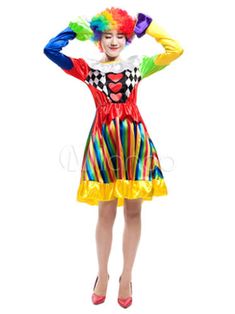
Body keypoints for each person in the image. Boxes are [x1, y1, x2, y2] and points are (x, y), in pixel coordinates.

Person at [43, 6, 184, 308]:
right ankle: (102, 275)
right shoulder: (88, 69)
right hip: (104, 145)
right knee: (105, 213)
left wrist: (151, 27)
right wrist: (73, 29)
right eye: (108, 35)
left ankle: (127, 276)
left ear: (128, 38)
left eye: (121, 35)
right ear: (99, 39)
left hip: (135, 144)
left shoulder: (139, 64)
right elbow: (50, 50)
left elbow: (176, 50)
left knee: (134, 212)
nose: (115, 41)